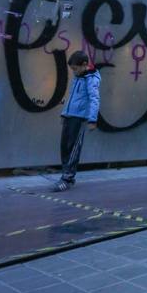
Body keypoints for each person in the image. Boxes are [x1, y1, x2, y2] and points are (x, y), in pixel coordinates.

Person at [54, 50, 101, 191]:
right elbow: (72, 98)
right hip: (70, 116)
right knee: (65, 147)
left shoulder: (91, 79)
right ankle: (65, 174)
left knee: (73, 148)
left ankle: (67, 178)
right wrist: (64, 113)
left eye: (75, 69)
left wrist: (92, 119)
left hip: (80, 118)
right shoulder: (78, 77)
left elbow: (94, 99)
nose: (73, 72)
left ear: (84, 65)